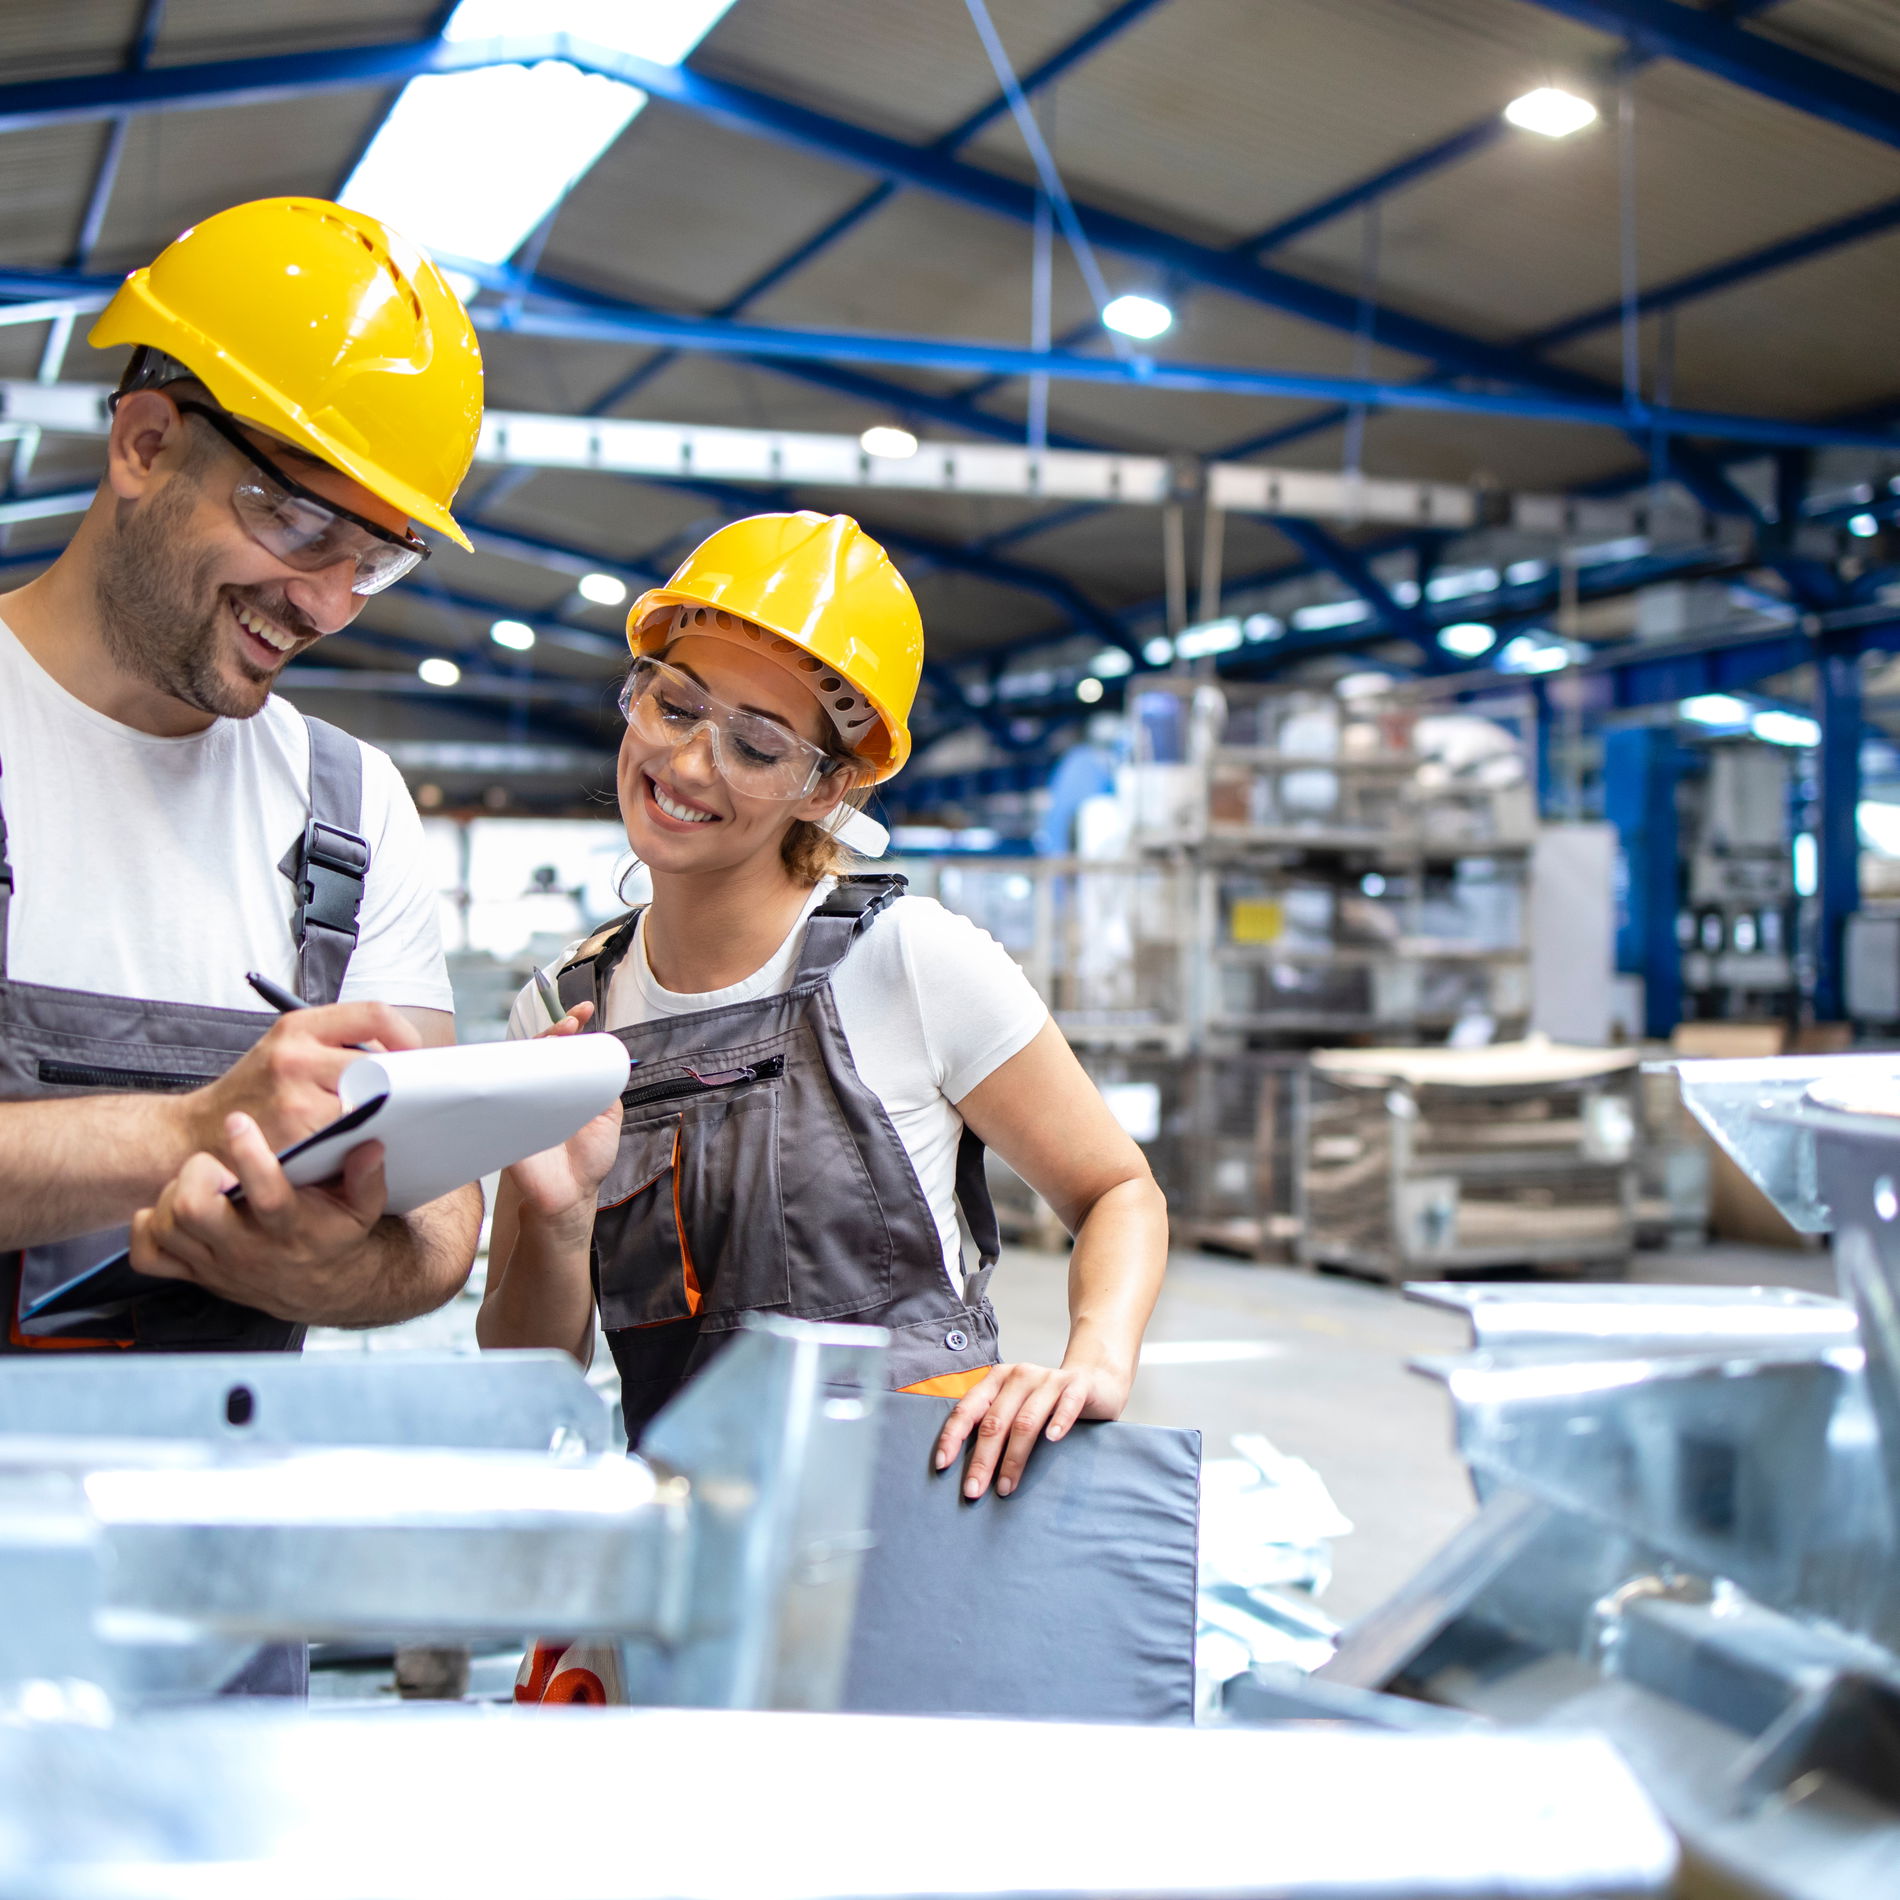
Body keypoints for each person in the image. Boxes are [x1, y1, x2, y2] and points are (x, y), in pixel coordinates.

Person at [478, 511, 1168, 1508]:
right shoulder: (565, 1011)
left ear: (825, 786)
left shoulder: (908, 963)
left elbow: (1117, 1191)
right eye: (674, 707)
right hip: (700, 1557)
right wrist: (557, 1217)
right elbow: (525, 1375)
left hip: (932, 1526)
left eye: (756, 746)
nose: (687, 765)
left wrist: (1092, 1362)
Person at [0, 196, 487, 1360]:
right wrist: (183, 1133)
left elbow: (439, 1226)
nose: (324, 602)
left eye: (374, 560)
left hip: (215, 1521)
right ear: (146, 443)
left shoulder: (350, 807)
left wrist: (343, 1269)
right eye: (298, 521)